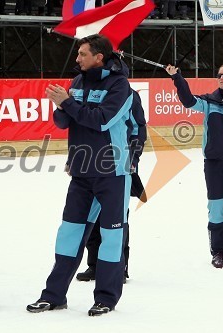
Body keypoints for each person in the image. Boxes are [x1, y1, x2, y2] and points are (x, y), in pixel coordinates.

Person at [26, 34, 133, 316]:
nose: (77, 59)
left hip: (113, 171)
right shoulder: (77, 81)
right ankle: (54, 296)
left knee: (111, 237)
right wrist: (60, 104)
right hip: (82, 171)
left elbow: (101, 121)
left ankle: (106, 299)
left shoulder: (120, 85)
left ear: (99, 57)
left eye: (82, 54)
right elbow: (63, 122)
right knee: (69, 234)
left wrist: (69, 103)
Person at [76, 89, 147, 283]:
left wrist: (133, 157)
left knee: (117, 219)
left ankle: (119, 266)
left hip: (119, 166)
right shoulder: (88, 90)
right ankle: (94, 265)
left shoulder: (127, 93)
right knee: (93, 218)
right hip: (90, 167)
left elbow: (138, 128)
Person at [165, 64, 223, 268]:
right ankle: (219, 251)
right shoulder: (210, 102)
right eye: (219, 75)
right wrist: (177, 78)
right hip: (214, 164)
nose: (222, 78)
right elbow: (188, 100)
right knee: (216, 208)